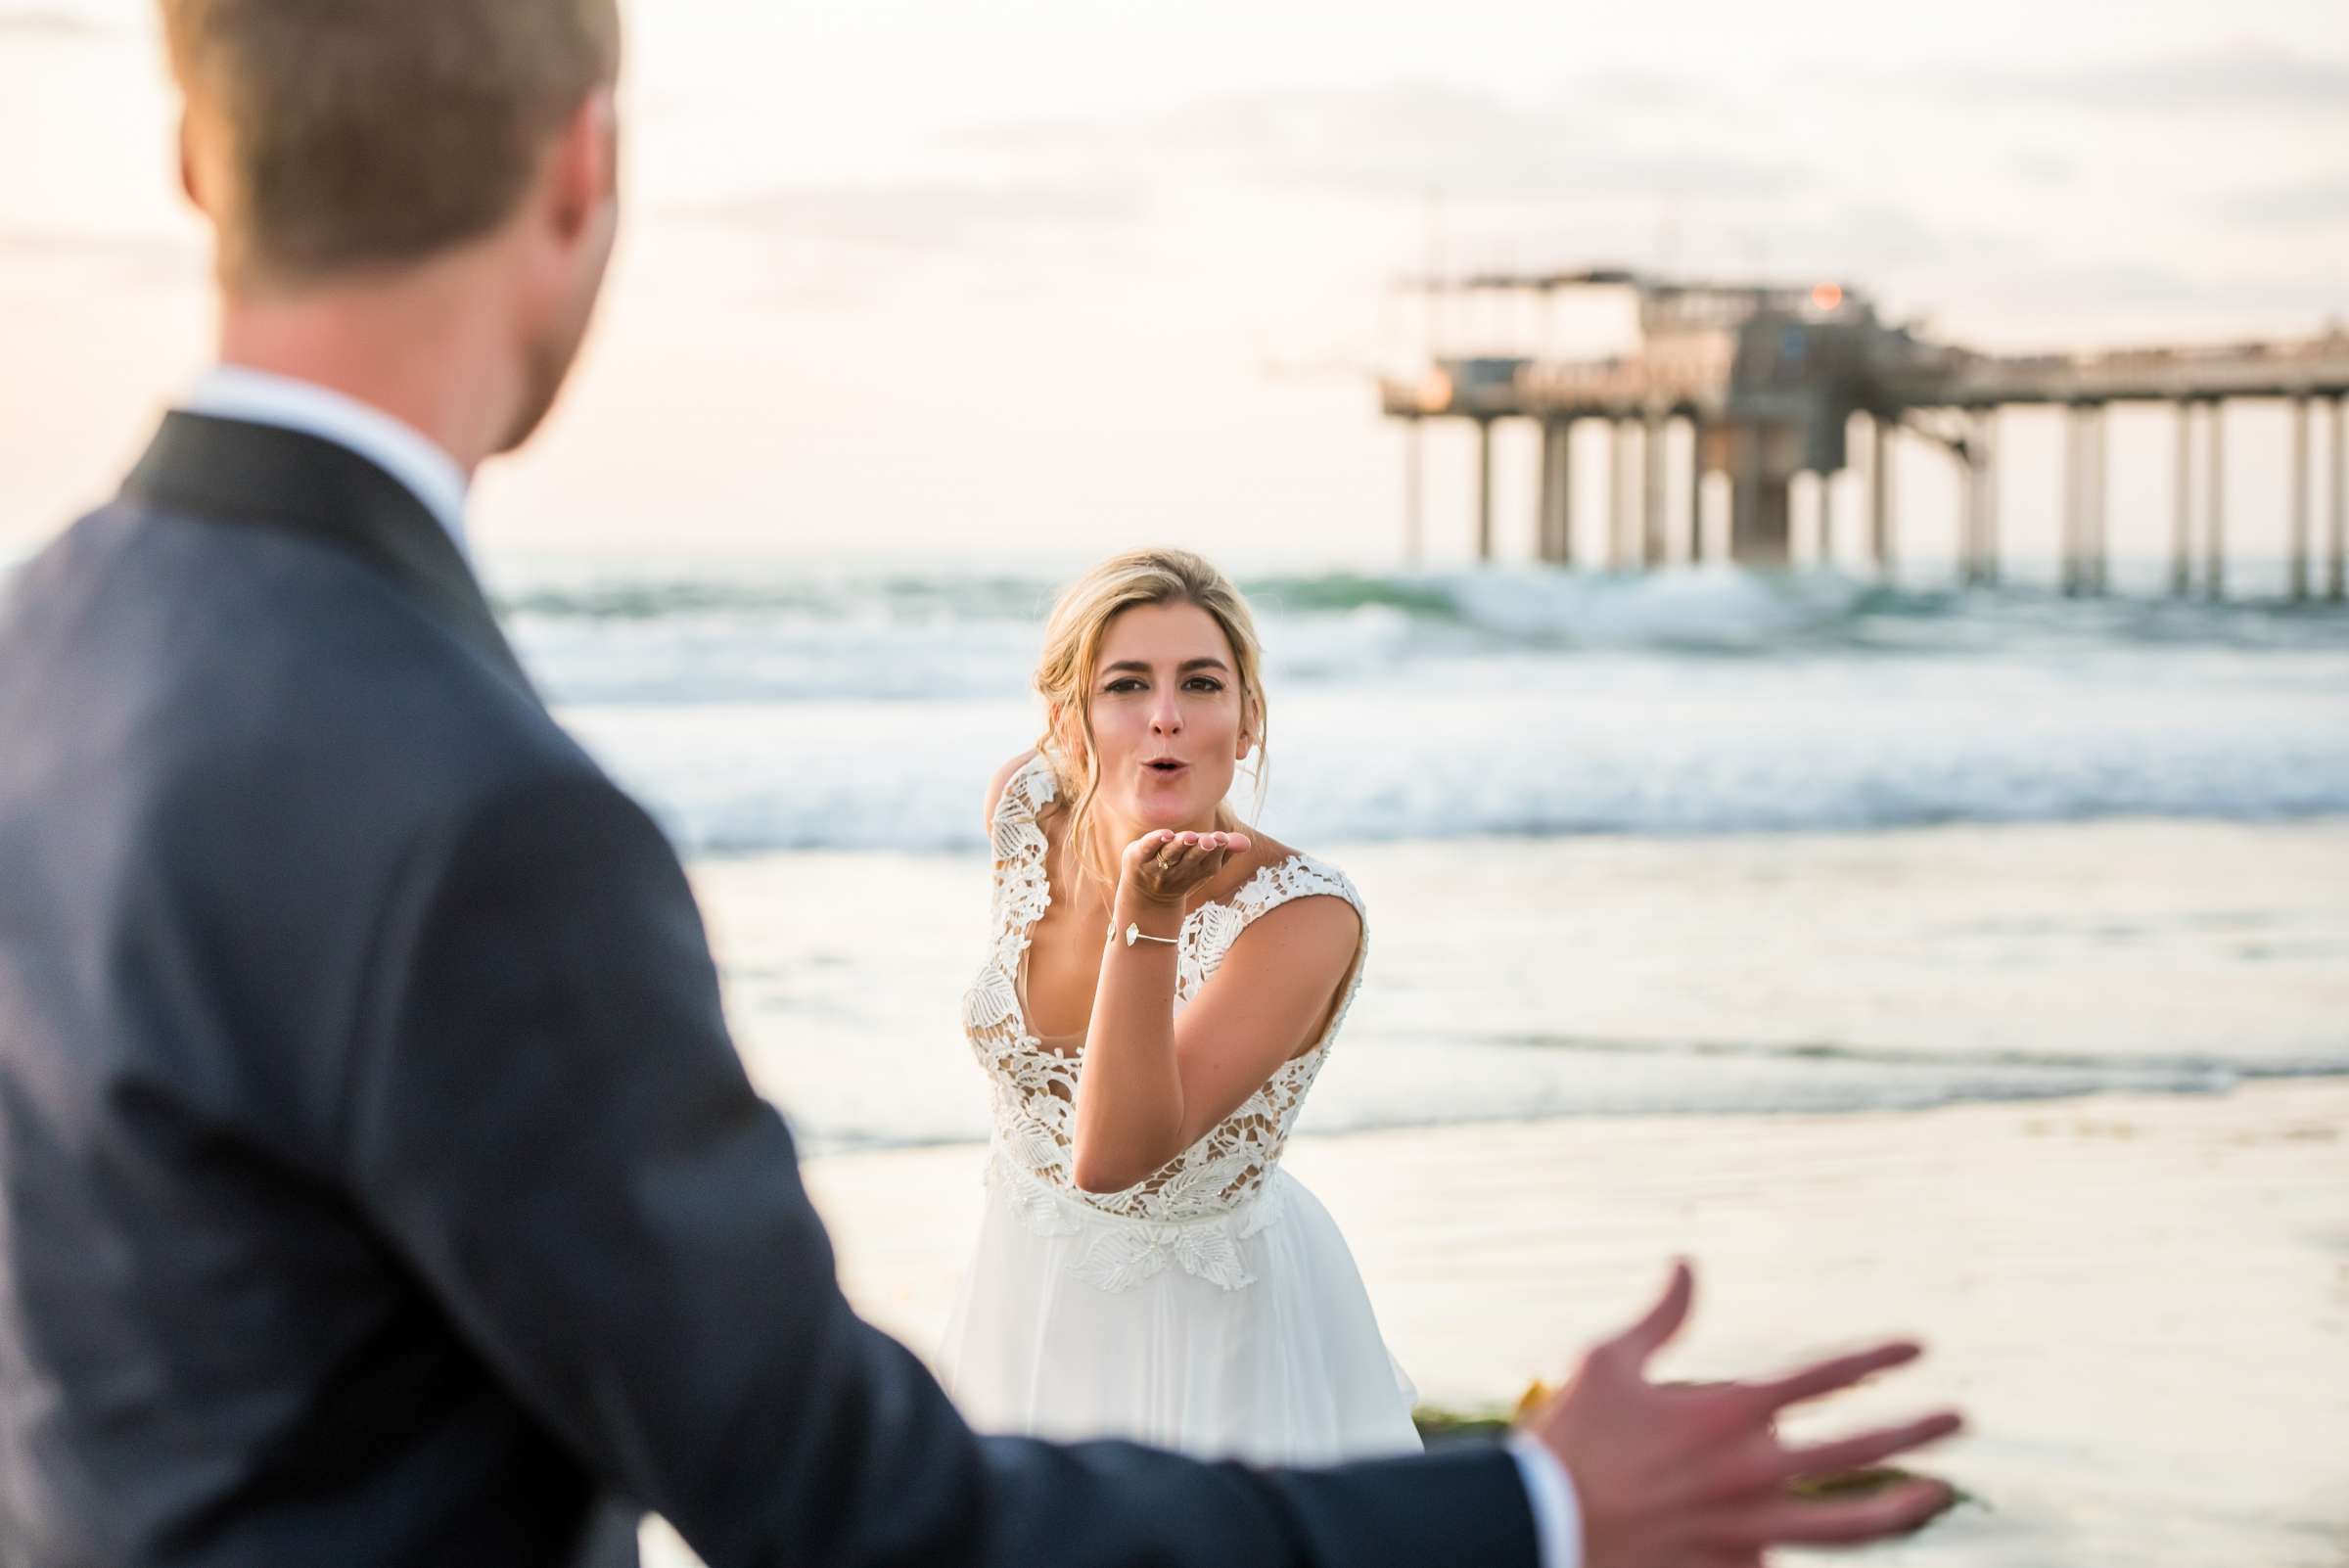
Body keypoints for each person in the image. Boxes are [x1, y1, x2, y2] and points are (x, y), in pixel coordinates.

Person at [0, 2, 1960, 1564]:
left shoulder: (37, 657)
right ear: (580, 168)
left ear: (194, 161)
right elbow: (848, 1513)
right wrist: (1528, 1508)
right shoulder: (495, 826)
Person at [939, 549, 1422, 1461]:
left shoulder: (1304, 917)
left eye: (1201, 684)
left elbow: (1113, 1157)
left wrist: (1148, 911)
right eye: (1126, 684)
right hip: (1019, 1296)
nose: (1165, 717)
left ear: (1248, 724)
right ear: (1069, 722)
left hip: (1209, 1345)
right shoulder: (1024, 806)